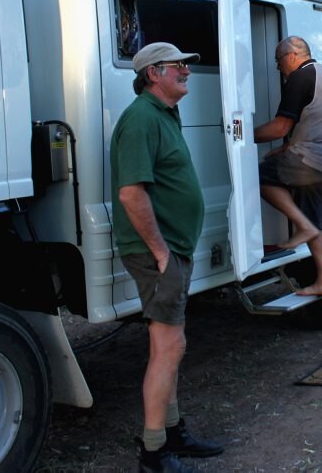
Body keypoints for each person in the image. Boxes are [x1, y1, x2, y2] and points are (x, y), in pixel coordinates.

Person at [111, 42, 224, 472]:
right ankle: (154, 452)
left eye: (186, 64)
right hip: (157, 254)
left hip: (172, 251)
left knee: (172, 346)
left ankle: (173, 432)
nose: (187, 70)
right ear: (153, 73)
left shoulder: (163, 115)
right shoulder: (140, 119)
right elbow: (130, 192)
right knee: (168, 347)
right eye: (178, 65)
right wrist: (160, 252)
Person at [254, 36, 322, 297]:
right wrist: (286, 149)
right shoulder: (321, 74)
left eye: (278, 61)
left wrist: (240, 136)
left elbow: (280, 127)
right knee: (315, 222)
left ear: (291, 56)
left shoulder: (300, 77)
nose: (278, 67)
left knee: (258, 176)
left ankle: (302, 226)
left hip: (320, 158)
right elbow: (315, 124)